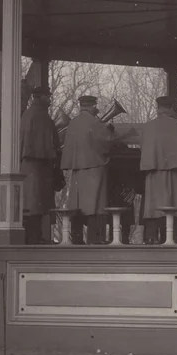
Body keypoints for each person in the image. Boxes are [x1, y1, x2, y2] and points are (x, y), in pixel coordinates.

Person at [139, 95, 177, 243]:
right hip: (173, 172)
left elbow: (142, 148)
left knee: (152, 206)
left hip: (153, 172)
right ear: (172, 108)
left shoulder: (148, 126)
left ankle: (150, 237)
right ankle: (173, 237)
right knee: (174, 203)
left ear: (158, 108)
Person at [62, 94, 113, 244]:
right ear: (92, 106)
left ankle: (76, 237)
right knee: (96, 205)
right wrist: (109, 130)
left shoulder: (73, 123)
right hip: (95, 168)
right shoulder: (95, 122)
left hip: (78, 169)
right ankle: (95, 239)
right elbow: (106, 142)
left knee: (77, 204)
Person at [20, 85, 60, 245]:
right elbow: (52, 142)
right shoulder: (41, 116)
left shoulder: (28, 114)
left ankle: (33, 236)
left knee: (32, 203)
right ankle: (34, 237)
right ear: (39, 97)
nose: (50, 100)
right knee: (36, 204)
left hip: (29, 165)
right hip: (38, 166)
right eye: (47, 96)